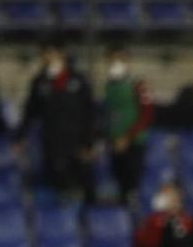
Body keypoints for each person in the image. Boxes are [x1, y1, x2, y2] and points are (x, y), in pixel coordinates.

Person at [19, 37, 99, 197]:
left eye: (52, 53)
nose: (48, 57)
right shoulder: (40, 82)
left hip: (77, 142)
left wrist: (89, 142)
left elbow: (90, 113)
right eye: (45, 54)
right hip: (52, 143)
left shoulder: (78, 80)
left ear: (61, 54)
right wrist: (19, 136)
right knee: (58, 185)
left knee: (84, 184)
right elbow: (30, 111)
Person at [101, 48, 154, 203]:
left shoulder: (139, 84)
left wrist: (127, 137)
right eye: (112, 60)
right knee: (118, 181)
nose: (116, 64)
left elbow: (147, 115)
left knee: (132, 183)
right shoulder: (109, 86)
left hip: (135, 141)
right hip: (115, 142)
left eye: (120, 60)